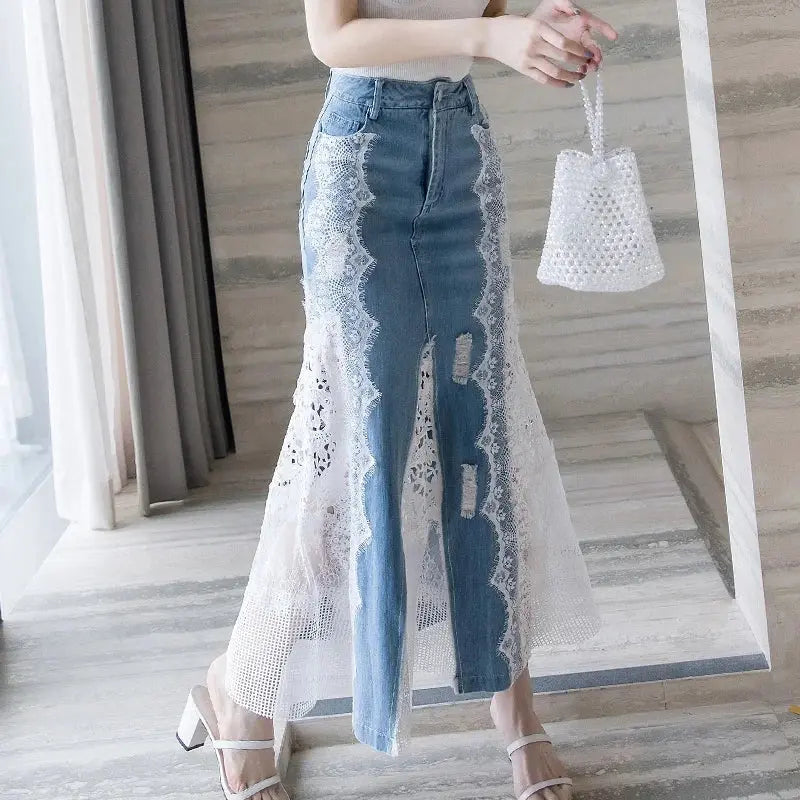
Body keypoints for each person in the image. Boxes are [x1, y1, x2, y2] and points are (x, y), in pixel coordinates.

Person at [176, 2, 618, 799]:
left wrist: (532, 31)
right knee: (347, 455)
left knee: (483, 426)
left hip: (462, 154)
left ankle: (515, 707)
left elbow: (470, 15)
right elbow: (333, 37)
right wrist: (486, 36)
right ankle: (239, 689)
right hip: (365, 159)